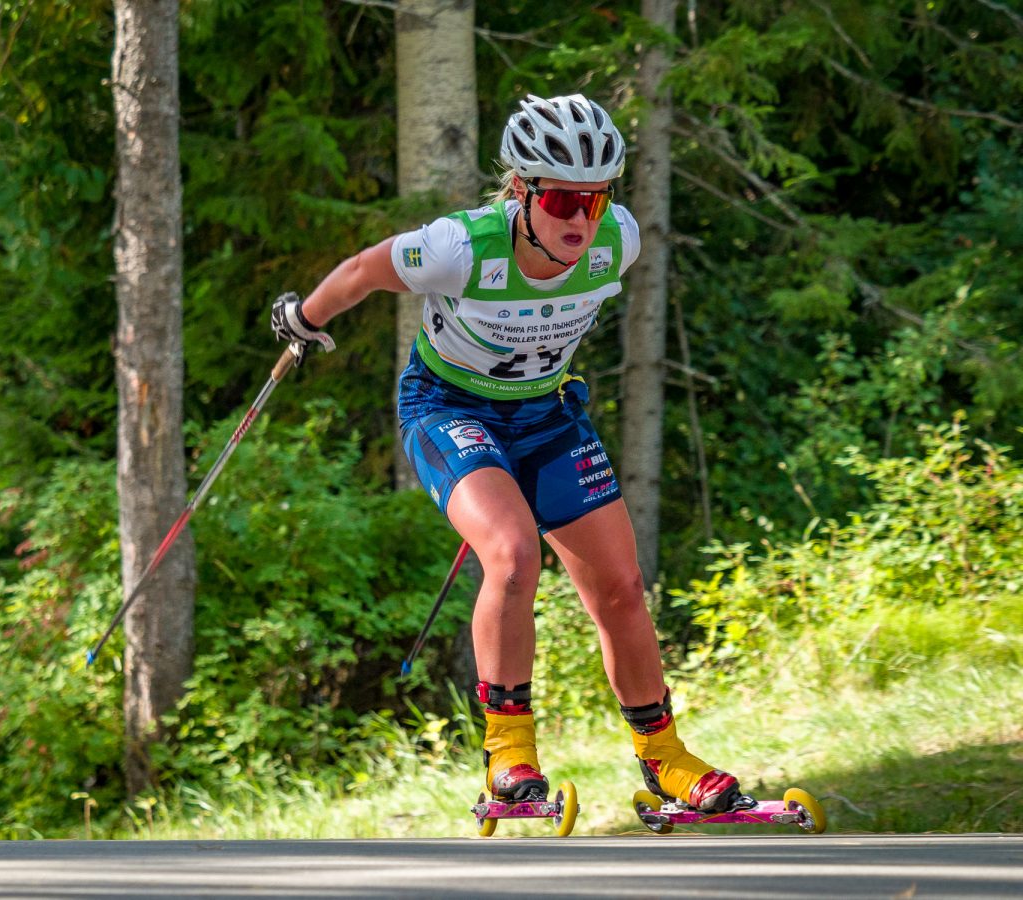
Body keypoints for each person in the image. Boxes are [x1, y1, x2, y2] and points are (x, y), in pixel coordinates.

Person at [272, 93, 740, 812]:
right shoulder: (460, 247)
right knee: (515, 556)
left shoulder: (619, 239)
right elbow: (364, 269)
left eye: (595, 198)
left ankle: (665, 757)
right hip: (449, 409)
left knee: (621, 586)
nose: (581, 219)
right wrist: (303, 320)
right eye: (561, 199)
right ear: (521, 190)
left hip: (545, 415)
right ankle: (509, 753)